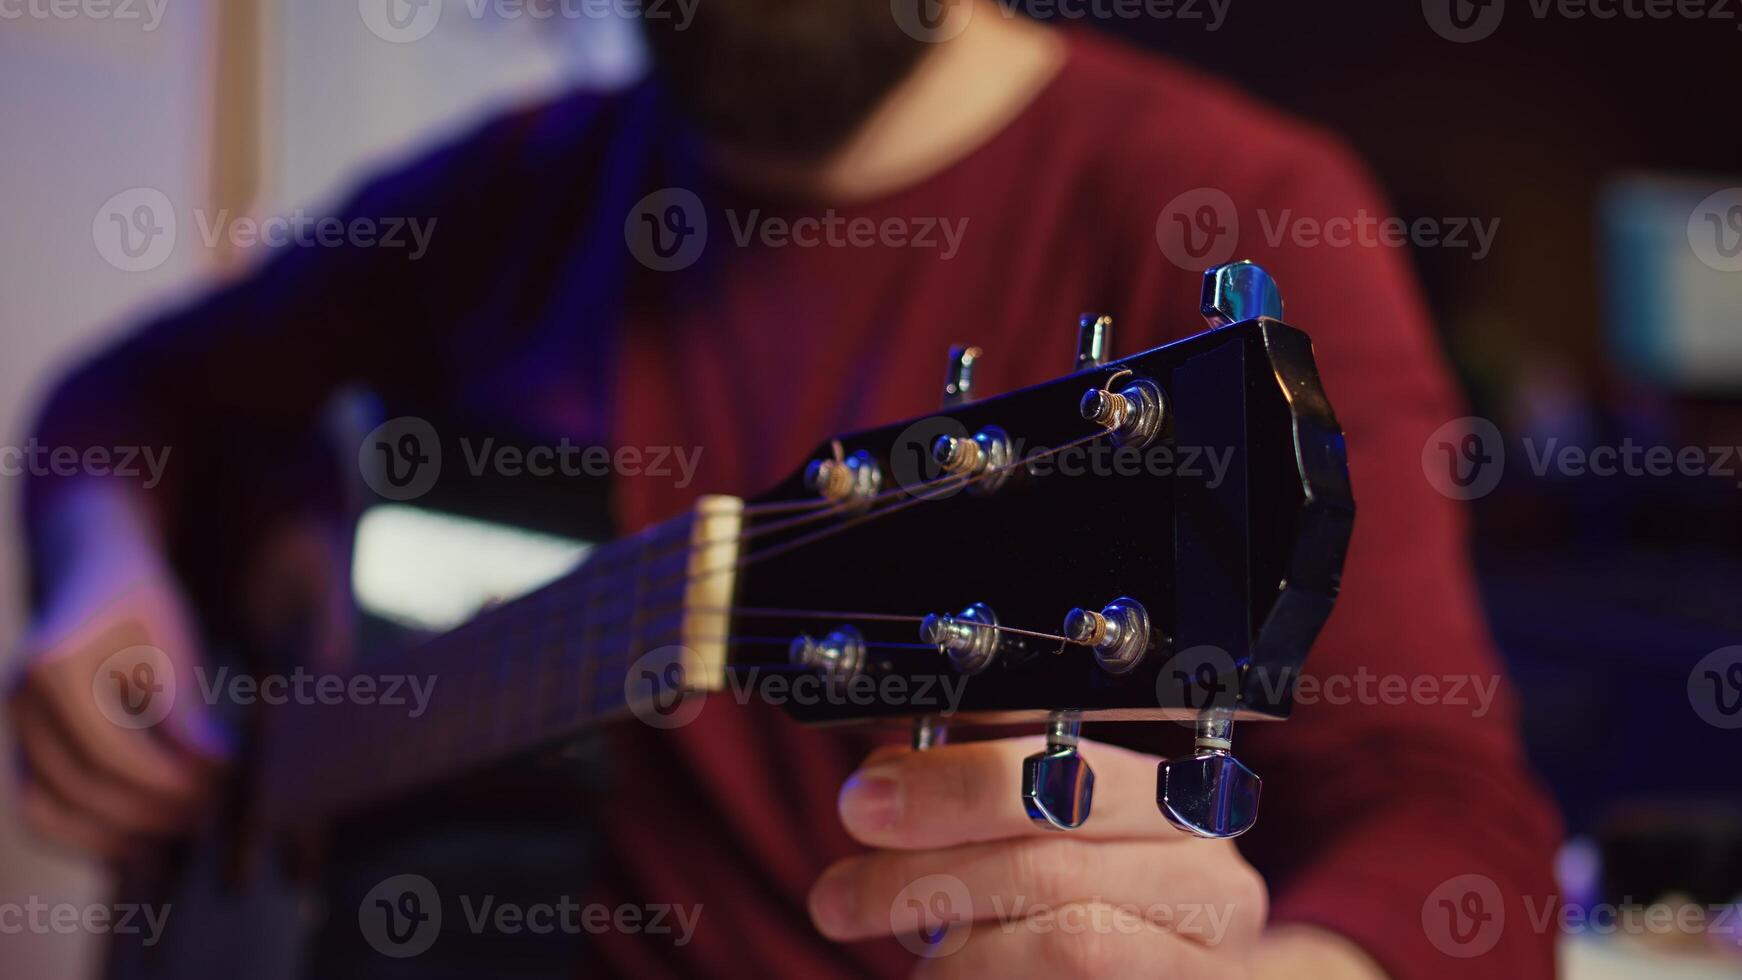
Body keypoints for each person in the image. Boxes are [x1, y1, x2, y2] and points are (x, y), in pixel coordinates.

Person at [7, 2, 1561, 976]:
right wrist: (107, 570)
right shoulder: (523, 184)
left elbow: (1455, 838)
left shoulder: (1221, 210)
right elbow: (120, 403)